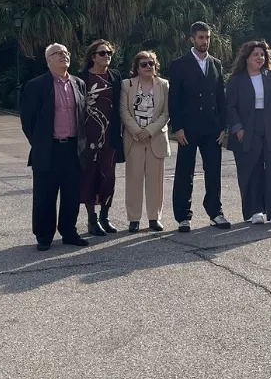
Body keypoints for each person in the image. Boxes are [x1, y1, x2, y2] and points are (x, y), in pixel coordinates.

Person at [20, 43, 88, 251]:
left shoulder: (78, 83)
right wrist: (40, 143)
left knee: (72, 194)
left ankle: (69, 231)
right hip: (48, 148)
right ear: (47, 59)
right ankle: (44, 235)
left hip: (73, 148)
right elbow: (28, 121)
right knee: (45, 195)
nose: (63, 56)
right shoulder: (35, 85)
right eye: (57, 53)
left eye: (66, 53)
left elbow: (82, 116)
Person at [169, 21, 231, 232]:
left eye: (207, 37)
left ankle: (215, 212)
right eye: (201, 37)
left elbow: (221, 97)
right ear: (192, 39)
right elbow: (174, 100)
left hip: (212, 128)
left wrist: (224, 126)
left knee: (213, 171)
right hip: (188, 128)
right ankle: (183, 216)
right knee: (184, 172)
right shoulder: (179, 64)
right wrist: (177, 127)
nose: (205, 41)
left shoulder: (216, 63)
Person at [226, 40, 271, 225]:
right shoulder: (236, 80)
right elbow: (230, 107)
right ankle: (254, 211)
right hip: (248, 127)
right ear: (247, 58)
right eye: (256, 54)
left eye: (262, 54)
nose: (260, 57)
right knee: (251, 169)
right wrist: (237, 128)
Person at [120, 51, 171, 232]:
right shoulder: (127, 85)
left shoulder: (164, 85)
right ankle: (134, 219)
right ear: (136, 67)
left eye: (151, 63)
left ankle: (154, 218)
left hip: (155, 137)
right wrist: (137, 131)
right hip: (134, 139)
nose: (149, 67)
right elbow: (124, 111)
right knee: (133, 179)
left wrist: (149, 131)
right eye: (144, 64)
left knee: (155, 181)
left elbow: (166, 113)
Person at [79, 39, 124, 236]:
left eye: (109, 53)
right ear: (93, 56)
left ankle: (105, 216)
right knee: (89, 175)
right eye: (102, 53)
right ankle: (91, 219)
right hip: (89, 134)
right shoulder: (82, 78)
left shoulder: (115, 76)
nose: (107, 56)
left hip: (110, 133)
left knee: (108, 176)